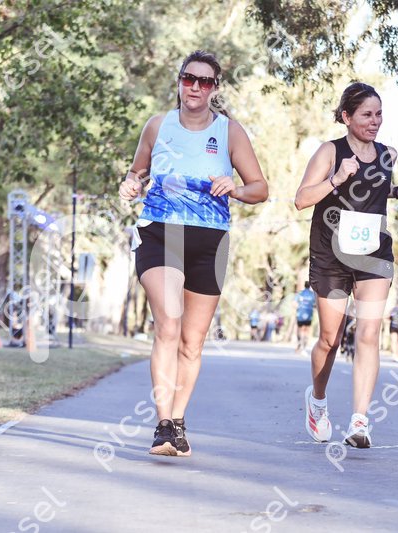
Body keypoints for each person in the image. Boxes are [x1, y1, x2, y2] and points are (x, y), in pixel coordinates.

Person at [118, 50, 268, 457]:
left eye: (204, 81)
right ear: (179, 81)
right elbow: (137, 173)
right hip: (160, 233)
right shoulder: (157, 125)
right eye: (189, 79)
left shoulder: (230, 132)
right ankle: (163, 425)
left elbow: (260, 188)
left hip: (210, 240)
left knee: (192, 342)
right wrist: (130, 185)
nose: (195, 87)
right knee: (168, 325)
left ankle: (179, 420)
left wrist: (235, 188)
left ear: (215, 88)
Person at [294, 82, 398, 448]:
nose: (375, 121)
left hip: (373, 254)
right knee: (330, 340)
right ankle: (317, 401)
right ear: (347, 117)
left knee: (368, 333)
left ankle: (360, 421)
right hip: (330, 253)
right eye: (366, 114)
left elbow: (374, 191)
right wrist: (336, 178)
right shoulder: (330, 152)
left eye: (379, 114)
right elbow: (301, 199)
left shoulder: (387, 155)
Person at [295, 281, 317, 355]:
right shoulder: (312, 294)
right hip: (309, 315)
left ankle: (299, 342)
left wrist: (299, 308)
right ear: (310, 286)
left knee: (299, 329)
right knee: (306, 331)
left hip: (300, 314)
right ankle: (304, 347)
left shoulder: (300, 293)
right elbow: (315, 305)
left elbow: (294, 303)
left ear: (304, 286)